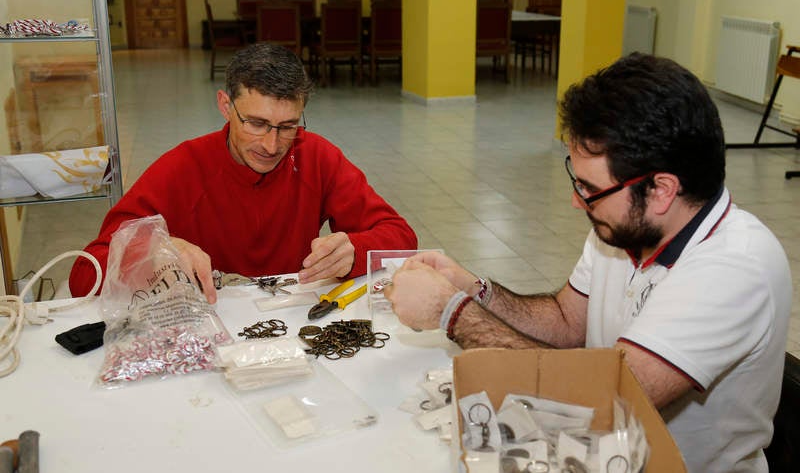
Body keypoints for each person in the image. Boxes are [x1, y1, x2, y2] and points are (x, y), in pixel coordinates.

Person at [384, 53, 791, 473]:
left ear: (661, 190)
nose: (576, 201)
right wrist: (473, 290)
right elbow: (565, 321)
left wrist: (453, 313)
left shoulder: (734, 268)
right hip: (601, 453)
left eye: (590, 188)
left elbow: (604, 400)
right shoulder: (628, 225)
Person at [70, 43, 417, 303]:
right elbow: (84, 275)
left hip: (290, 319)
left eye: (287, 126)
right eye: (256, 123)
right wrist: (154, 252)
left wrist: (356, 249)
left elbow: (401, 237)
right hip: (210, 325)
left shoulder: (314, 155)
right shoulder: (183, 167)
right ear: (225, 106)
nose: (271, 145)